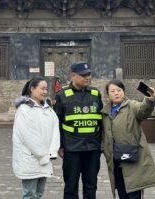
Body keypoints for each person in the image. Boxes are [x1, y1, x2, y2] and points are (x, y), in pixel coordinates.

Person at [101, 79, 155, 199]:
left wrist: (150, 99)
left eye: (119, 90)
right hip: (116, 161)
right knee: (122, 193)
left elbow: (143, 110)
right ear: (108, 94)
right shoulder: (105, 113)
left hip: (132, 159)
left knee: (133, 194)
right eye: (112, 91)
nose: (116, 93)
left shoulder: (132, 106)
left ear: (124, 91)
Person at [53, 62, 103, 199]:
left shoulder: (95, 93)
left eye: (88, 74)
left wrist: (102, 143)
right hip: (72, 148)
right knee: (70, 186)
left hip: (92, 148)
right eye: (83, 75)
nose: (87, 77)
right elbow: (56, 123)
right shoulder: (62, 95)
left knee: (91, 186)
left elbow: (101, 120)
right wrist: (59, 145)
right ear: (73, 76)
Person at [12, 76, 60, 199]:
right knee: (30, 194)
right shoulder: (24, 110)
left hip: (45, 159)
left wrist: (52, 151)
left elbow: (55, 130)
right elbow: (29, 137)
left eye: (46, 89)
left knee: (39, 193)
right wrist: (42, 154)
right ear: (32, 89)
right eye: (42, 89)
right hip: (30, 159)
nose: (45, 92)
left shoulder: (48, 110)